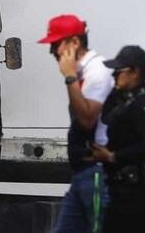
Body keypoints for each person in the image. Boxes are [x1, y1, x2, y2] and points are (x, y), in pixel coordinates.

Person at [37, 14, 114, 233]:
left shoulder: (97, 72)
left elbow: (88, 120)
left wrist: (69, 77)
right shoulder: (85, 73)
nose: (52, 52)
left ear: (75, 43)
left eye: (55, 44)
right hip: (84, 174)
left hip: (98, 174)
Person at [90, 46, 145, 232]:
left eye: (119, 71)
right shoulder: (127, 102)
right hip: (121, 190)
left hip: (135, 192)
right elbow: (105, 117)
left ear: (135, 72)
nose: (114, 75)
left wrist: (113, 156)